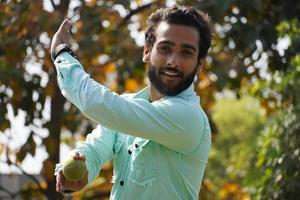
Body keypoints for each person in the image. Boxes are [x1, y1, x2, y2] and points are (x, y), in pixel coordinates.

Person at [51, 5, 212, 200]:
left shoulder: (188, 117)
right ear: (146, 51)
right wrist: (82, 166)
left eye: (186, 53)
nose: (173, 61)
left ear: (200, 63)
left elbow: (97, 104)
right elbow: (96, 147)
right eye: (165, 48)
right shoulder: (129, 107)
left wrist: (62, 53)